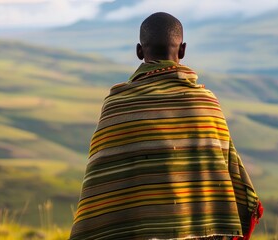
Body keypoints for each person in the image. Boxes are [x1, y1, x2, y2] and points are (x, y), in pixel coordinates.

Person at [69, 12, 263, 240]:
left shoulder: (116, 103)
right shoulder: (206, 102)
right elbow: (227, 169)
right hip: (200, 232)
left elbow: (101, 178)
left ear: (139, 51)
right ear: (182, 50)